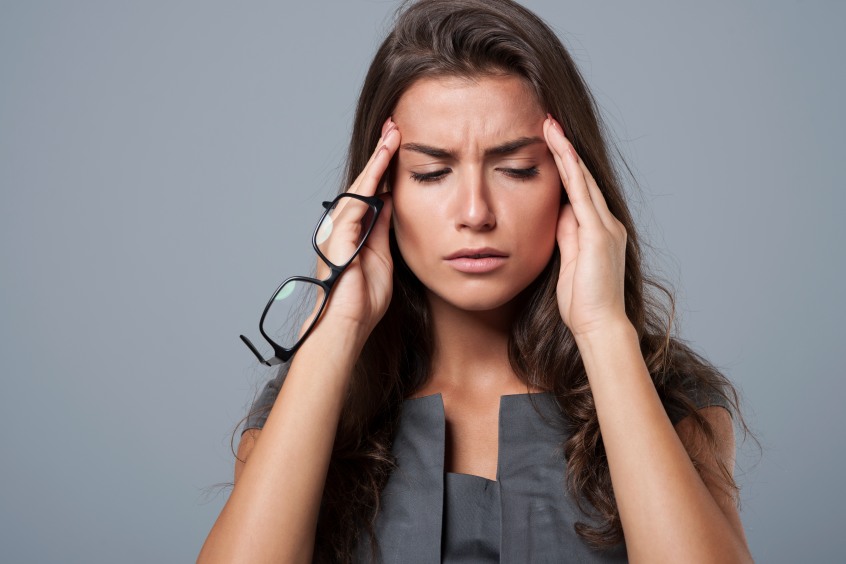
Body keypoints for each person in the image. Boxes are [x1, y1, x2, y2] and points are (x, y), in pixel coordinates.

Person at [199, 0, 753, 562]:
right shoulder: (309, 398)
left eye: (516, 169)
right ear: (377, 195)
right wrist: (336, 326)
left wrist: (605, 332)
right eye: (431, 172)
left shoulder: (670, 394)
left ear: (572, 182)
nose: (475, 212)